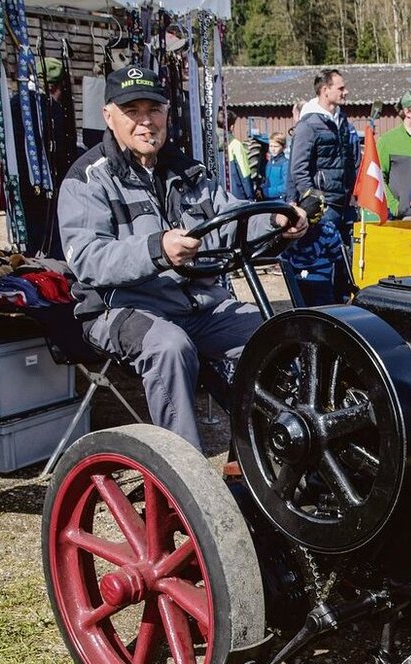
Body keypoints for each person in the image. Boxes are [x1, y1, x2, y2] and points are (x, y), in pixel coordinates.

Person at [56, 66, 308, 451]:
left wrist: (274, 219)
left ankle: (279, 449)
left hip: (199, 305)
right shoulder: (88, 179)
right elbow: (88, 259)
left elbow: (231, 218)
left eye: (153, 109)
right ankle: (182, 475)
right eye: (132, 110)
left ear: (167, 113)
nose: (145, 121)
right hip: (120, 308)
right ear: (109, 116)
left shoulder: (187, 171)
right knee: (171, 347)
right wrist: (157, 249)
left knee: (273, 334)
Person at [283, 68, 359, 306]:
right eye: (340, 88)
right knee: (319, 266)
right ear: (325, 91)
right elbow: (299, 167)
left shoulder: (342, 121)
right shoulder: (309, 125)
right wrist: (312, 199)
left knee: (342, 262)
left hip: (343, 203)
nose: (345, 92)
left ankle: (341, 308)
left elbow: (350, 160)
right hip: (322, 206)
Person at [11, 58, 79, 258]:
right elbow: (62, 152)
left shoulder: (13, 105)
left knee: (29, 232)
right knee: (50, 230)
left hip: (19, 182)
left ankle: (29, 258)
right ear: (55, 88)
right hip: (49, 183)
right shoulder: (52, 109)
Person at [226, 111, 256, 199]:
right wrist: (250, 196)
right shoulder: (235, 144)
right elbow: (244, 172)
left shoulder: (209, 144)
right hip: (237, 196)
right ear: (232, 127)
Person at [262, 131, 288, 199]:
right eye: (271, 146)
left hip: (279, 201)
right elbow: (267, 181)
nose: (273, 149)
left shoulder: (285, 164)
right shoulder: (269, 162)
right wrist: (261, 188)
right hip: (268, 200)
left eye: (276, 146)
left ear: (284, 147)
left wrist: (267, 191)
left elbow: (286, 187)